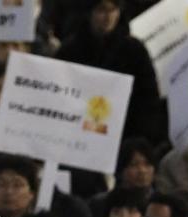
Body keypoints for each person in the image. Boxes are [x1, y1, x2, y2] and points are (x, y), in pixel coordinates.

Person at [56, 0, 163, 145]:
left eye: (113, 10)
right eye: (102, 10)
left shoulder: (134, 51)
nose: (108, 17)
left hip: (125, 139)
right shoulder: (69, 51)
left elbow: (148, 98)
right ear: (90, 12)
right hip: (77, 138)